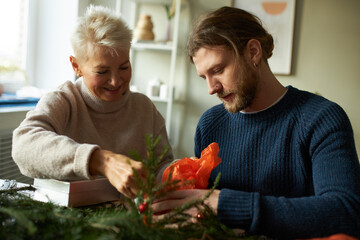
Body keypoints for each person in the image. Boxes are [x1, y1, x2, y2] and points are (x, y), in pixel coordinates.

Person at [152, 6, 360, 239]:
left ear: (253, 52)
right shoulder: (209, 124)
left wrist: (226, 205)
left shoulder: (322, 119)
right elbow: (203, 212)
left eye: (218, 70)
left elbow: (346, 211)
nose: (211, 88)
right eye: (204, 77)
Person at [11, 5, 173, 199]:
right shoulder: (63, 101)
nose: (115, 81)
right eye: (102, 72)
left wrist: (182, 172)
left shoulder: (145, 109)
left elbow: (163, 167)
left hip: (132, 223)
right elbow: (23, 146)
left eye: (124, 67)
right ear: (76, 66)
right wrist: (101, 161)